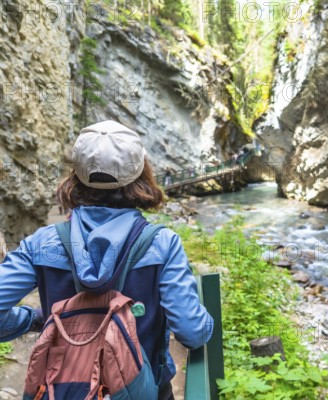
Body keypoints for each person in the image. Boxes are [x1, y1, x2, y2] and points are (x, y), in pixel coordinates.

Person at [0, 120, 214, 400]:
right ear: (141, 174)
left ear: (75, 175)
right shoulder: (163, 243)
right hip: (141, 391)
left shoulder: (41, 243)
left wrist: (33, 319)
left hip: (62, 390)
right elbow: (192, 331)